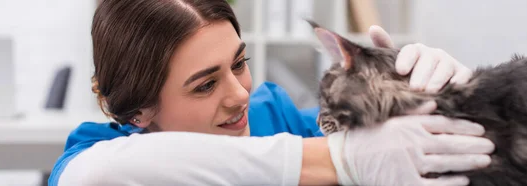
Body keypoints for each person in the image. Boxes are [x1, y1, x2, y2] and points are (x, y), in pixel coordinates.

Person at [48, 0, 494, 185]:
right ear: (139, 112)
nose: (239, 94)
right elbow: (94, 176)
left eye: (239, 64)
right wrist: (340, 160)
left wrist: (427, 94)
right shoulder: (100, 151)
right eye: (205, 84)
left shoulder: (272, 115)